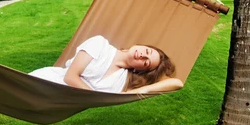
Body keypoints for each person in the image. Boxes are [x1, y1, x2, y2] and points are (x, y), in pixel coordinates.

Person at [29, 35, 183, 94]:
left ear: (140, 69)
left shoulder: (125, 81)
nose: (143, 56)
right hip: (42, 82)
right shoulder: (99, 44)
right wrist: (96, 99)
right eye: (147, 51)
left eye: (146, 63)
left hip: (57, 101)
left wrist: (143, 90)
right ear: (139, 45)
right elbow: (70, 77)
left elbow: (177, 83)